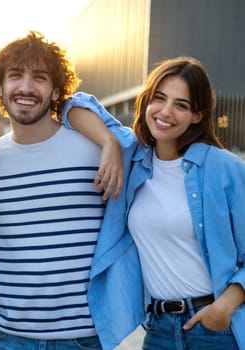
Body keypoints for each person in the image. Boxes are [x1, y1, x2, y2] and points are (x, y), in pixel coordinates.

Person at [0, 30, 143, 349]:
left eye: (39, 78)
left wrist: (109, 140)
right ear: (0, 88)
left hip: (82, 337)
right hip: (8, 337)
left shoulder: (95, 148)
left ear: (57, 90)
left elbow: (136, 148)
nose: (26, 87)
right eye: (15, 76)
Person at [64, 56, 245, 349]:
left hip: (214, 329)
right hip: (159, 329)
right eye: (159, 99)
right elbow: (72, 104)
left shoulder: (223, 168)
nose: (165, 112)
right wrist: (109, 143)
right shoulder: (133, 157)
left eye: (181, 105)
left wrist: (222, 309)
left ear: (197, 115)